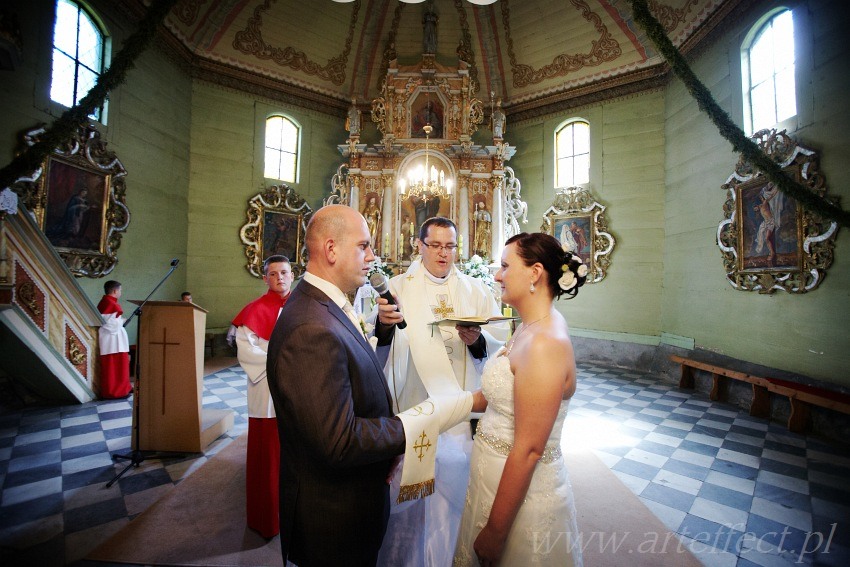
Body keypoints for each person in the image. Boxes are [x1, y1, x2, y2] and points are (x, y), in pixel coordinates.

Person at [266, 205, 407, 566]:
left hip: (352, 500)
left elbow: (349, 375)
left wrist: (383, 331)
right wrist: (413, 427)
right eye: (364, 246)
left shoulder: (325, 305)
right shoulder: (310, 327)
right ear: (331, 250)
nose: (372, 258)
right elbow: (339, 441)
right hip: (333, 519)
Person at [375, 217, 508, 566]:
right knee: (410, 494)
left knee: (455, 491)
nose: (443, 253)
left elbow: (498, 351)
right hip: (416, 408)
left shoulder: (476, 291)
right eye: (435, 245)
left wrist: (478, 341)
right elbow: (377, 350)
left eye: (450, 246)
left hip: (460, 416)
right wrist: (384, 329)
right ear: (419, 245)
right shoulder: (397, 288)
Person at [454, 232, 587, 566]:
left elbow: (529, 449)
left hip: (522, 500)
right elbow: (503, 397)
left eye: (504, 266)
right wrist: (440, 412)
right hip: (492, 479)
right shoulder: (529, 326)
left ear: (535, 273)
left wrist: (497, 531)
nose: (497, 275)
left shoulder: (546, 343)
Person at [231, 255, 293, 538]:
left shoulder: (302, 308)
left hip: (299, 390)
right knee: (267, 458)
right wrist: (282, 361)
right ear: (265, 278)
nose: (279, 278)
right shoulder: (253, 311)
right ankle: (266, 519)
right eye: (273, 274)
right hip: (266, 392)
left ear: (293, 275)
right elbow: (247, 352)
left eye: (284, 272)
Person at [96, 280, 132, 399]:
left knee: (115, 368)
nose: (121, 292)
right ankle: (115, 392)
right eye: (120, 290)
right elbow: (110, 325)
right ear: (115, 291)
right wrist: (121, 322)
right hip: (113, 341)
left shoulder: (105, 302)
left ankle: (122, 388)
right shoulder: (112, 304)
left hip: (113, 341)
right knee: (114, 369)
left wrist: (120, 321)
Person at [752, 182, 784, 266]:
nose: (755, 209)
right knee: (764, 237)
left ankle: (772, 253)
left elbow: (772, 196)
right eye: (755, 208)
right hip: (765, 223)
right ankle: (771, 252)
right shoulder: (760, 208)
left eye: (755, 207)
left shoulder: (765, 203)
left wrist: (776, 190)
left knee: (767, 238)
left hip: (770, 222)